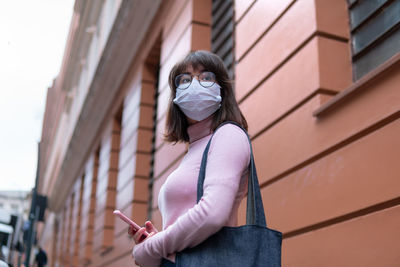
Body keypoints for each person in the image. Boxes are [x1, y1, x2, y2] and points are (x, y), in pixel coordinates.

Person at [129, 50, 251, 267]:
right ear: (176, 96)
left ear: (222, 90)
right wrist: (157, 239)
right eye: (184, 80)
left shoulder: (228, 135)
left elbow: (213, 213)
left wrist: (152, 247)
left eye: (206, 77)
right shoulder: (195, 149)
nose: (194, 84)